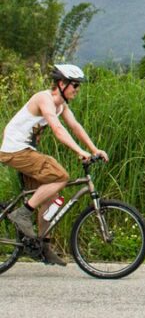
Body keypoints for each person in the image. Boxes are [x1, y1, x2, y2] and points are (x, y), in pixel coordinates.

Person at [0, 64, 108, 265]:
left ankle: (43, 246)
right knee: (60, 175)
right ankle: (22, 214)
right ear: (62, 83)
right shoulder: (44, 99)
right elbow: (58, 129)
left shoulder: (61, 106)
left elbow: (75, 127)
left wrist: (94, 150)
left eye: (78, 86)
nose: (77, 89)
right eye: (75, 85)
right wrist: (79, 151)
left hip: (26, 151)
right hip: (14, 150)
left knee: (51, 197)